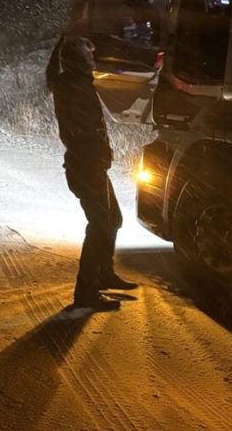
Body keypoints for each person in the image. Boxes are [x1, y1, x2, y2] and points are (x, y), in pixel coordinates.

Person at [46, 34, 138, 311]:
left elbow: (52, 73)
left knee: (112, 219)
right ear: (76, 61)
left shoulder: (70, 83)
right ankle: (86, 292)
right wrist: (99, 155)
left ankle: (103, 275)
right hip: (86, 166)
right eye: (89, 57)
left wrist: (61, 42)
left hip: (90, 165)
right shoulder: (74, 87)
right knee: (99, 225)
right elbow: (85, 132)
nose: (93, 62)